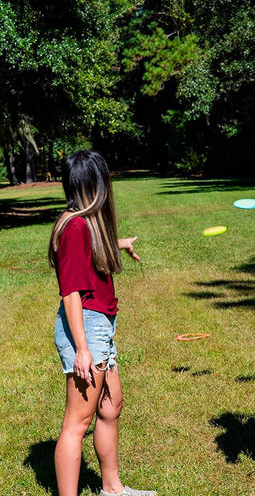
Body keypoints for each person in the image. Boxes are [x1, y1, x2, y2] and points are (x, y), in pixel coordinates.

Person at [48, 151, 155, 496]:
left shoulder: (80, 223)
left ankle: (112, 489)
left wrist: (118, 244)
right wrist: (82, 348)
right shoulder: (76, 227)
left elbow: (87, 255)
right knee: (77, 423)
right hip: (87, 327)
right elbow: (71, 293)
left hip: (99, 326)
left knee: (111, 407)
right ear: (94, 185)